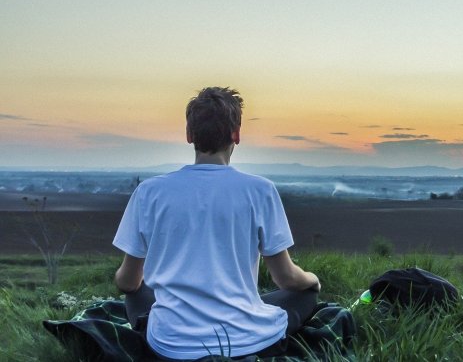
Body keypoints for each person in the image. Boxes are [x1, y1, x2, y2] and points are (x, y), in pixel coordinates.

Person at [112, 86, 320, 360]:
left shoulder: (149, 192)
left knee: (138, 292)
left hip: (170, 345)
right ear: (236, 134)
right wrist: (313, 280)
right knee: (305, 295)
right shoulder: (260, 190)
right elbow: (286, 279)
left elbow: (127, 282)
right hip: (246, 340)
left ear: (189, 135)